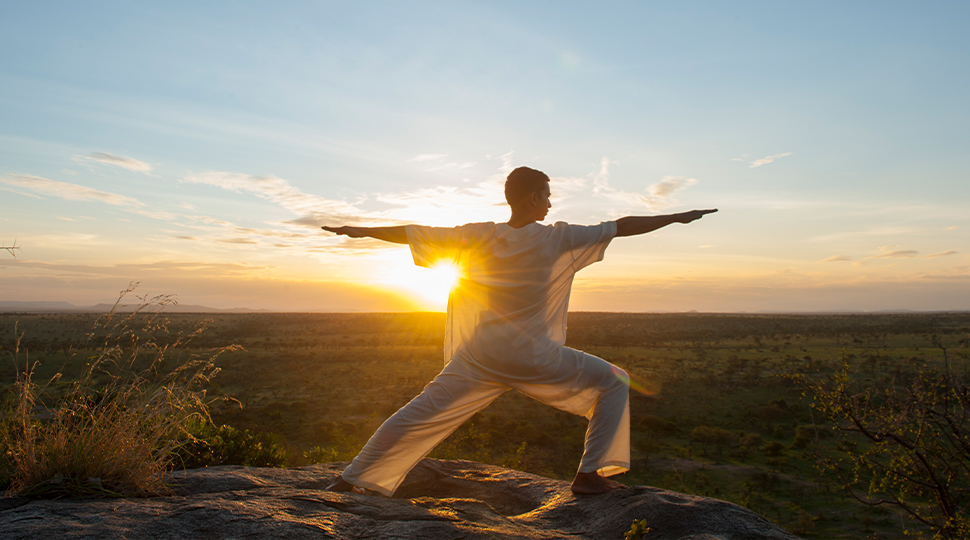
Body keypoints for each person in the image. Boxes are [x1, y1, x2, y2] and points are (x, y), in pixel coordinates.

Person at [322, 166, 717, 496]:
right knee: (615, 381)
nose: (550, 202)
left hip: (480, 353)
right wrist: (676, 217)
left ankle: (350, 479)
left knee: (418, 413)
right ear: (530, 198)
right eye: (546, 194)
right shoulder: (558, 236)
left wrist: (360, 230)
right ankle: (588, 476)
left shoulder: (481, 235)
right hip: (533, 356)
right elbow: (621, 226)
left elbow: (415, 231)